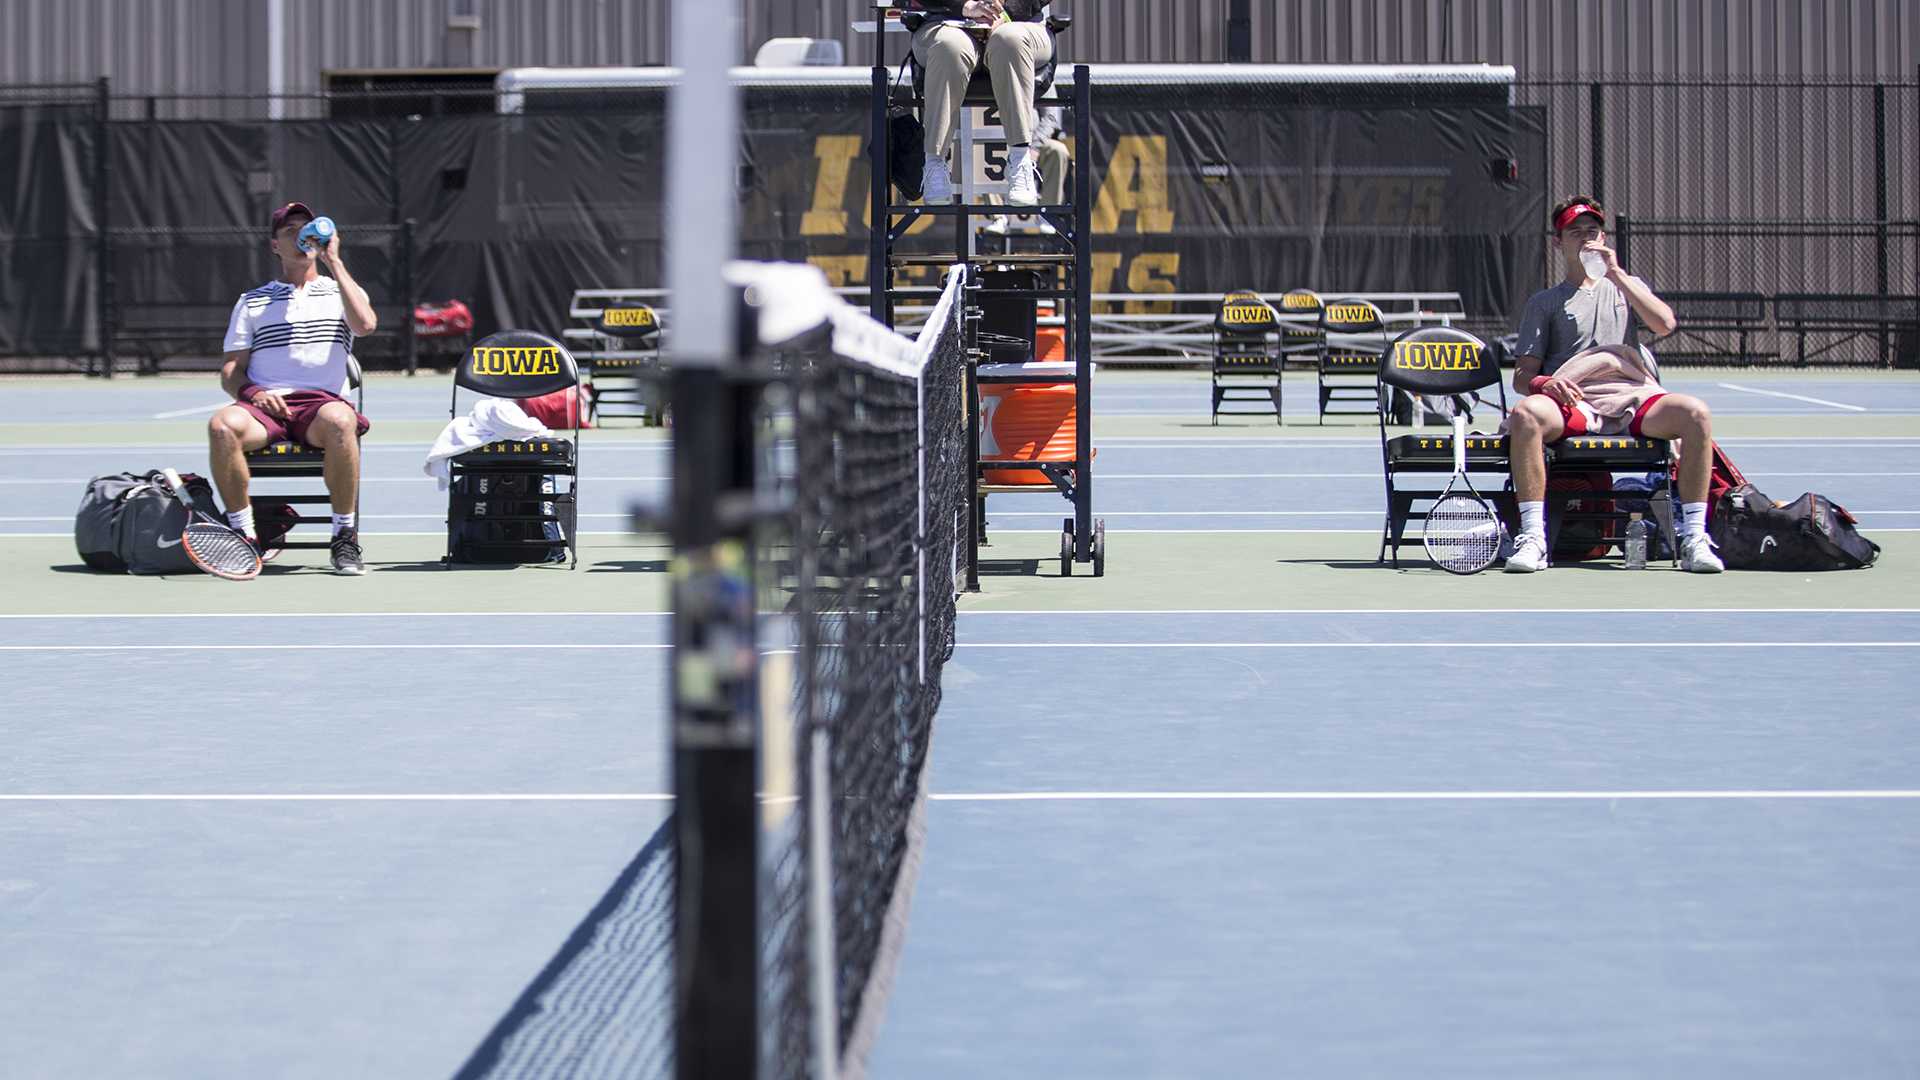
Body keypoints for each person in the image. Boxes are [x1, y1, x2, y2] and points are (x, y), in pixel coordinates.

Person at [1506, 194, 1723, 574]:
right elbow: (1522, 378)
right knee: (1526, 414)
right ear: (1558, 242)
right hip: (1573, 402)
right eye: (1576, 233)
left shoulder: (1626, 285)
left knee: (1696, 414)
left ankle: (1693, 538)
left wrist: (1617, 273)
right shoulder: (1545, 302)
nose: (1587, 240)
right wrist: (1546, 384)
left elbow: (1664, 324)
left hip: (1629, 394)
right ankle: (1533, 538)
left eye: (1593, 232)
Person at [206, 201, 378, 576]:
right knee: (221, 426)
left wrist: (335, 261)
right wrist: (253, 394)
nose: (302, 237)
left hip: (320, 406)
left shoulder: (339, 291)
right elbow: (231, 372)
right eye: (290, 232)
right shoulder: (251, 301)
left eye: (308, 229)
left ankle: (344, 537)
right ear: (275, 246)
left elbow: (365, 325)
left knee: (340, 420)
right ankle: (244, 537)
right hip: (263, 407)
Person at [912, 0, 1052, 207]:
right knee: (949, 47)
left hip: (1020, 23)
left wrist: (1003, 11)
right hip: (946, 23)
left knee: (1010, 39)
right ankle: (934, 162)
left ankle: (1020, 159)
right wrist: (964, 6)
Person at [985, 104, 1068, 235]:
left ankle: (1048, 215)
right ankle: (998, 217)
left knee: (1058, 150)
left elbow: (1050, 117)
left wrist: (1034, 146)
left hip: (1035, 141)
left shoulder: (1044, 82)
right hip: (998, 138)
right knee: (983, 151)